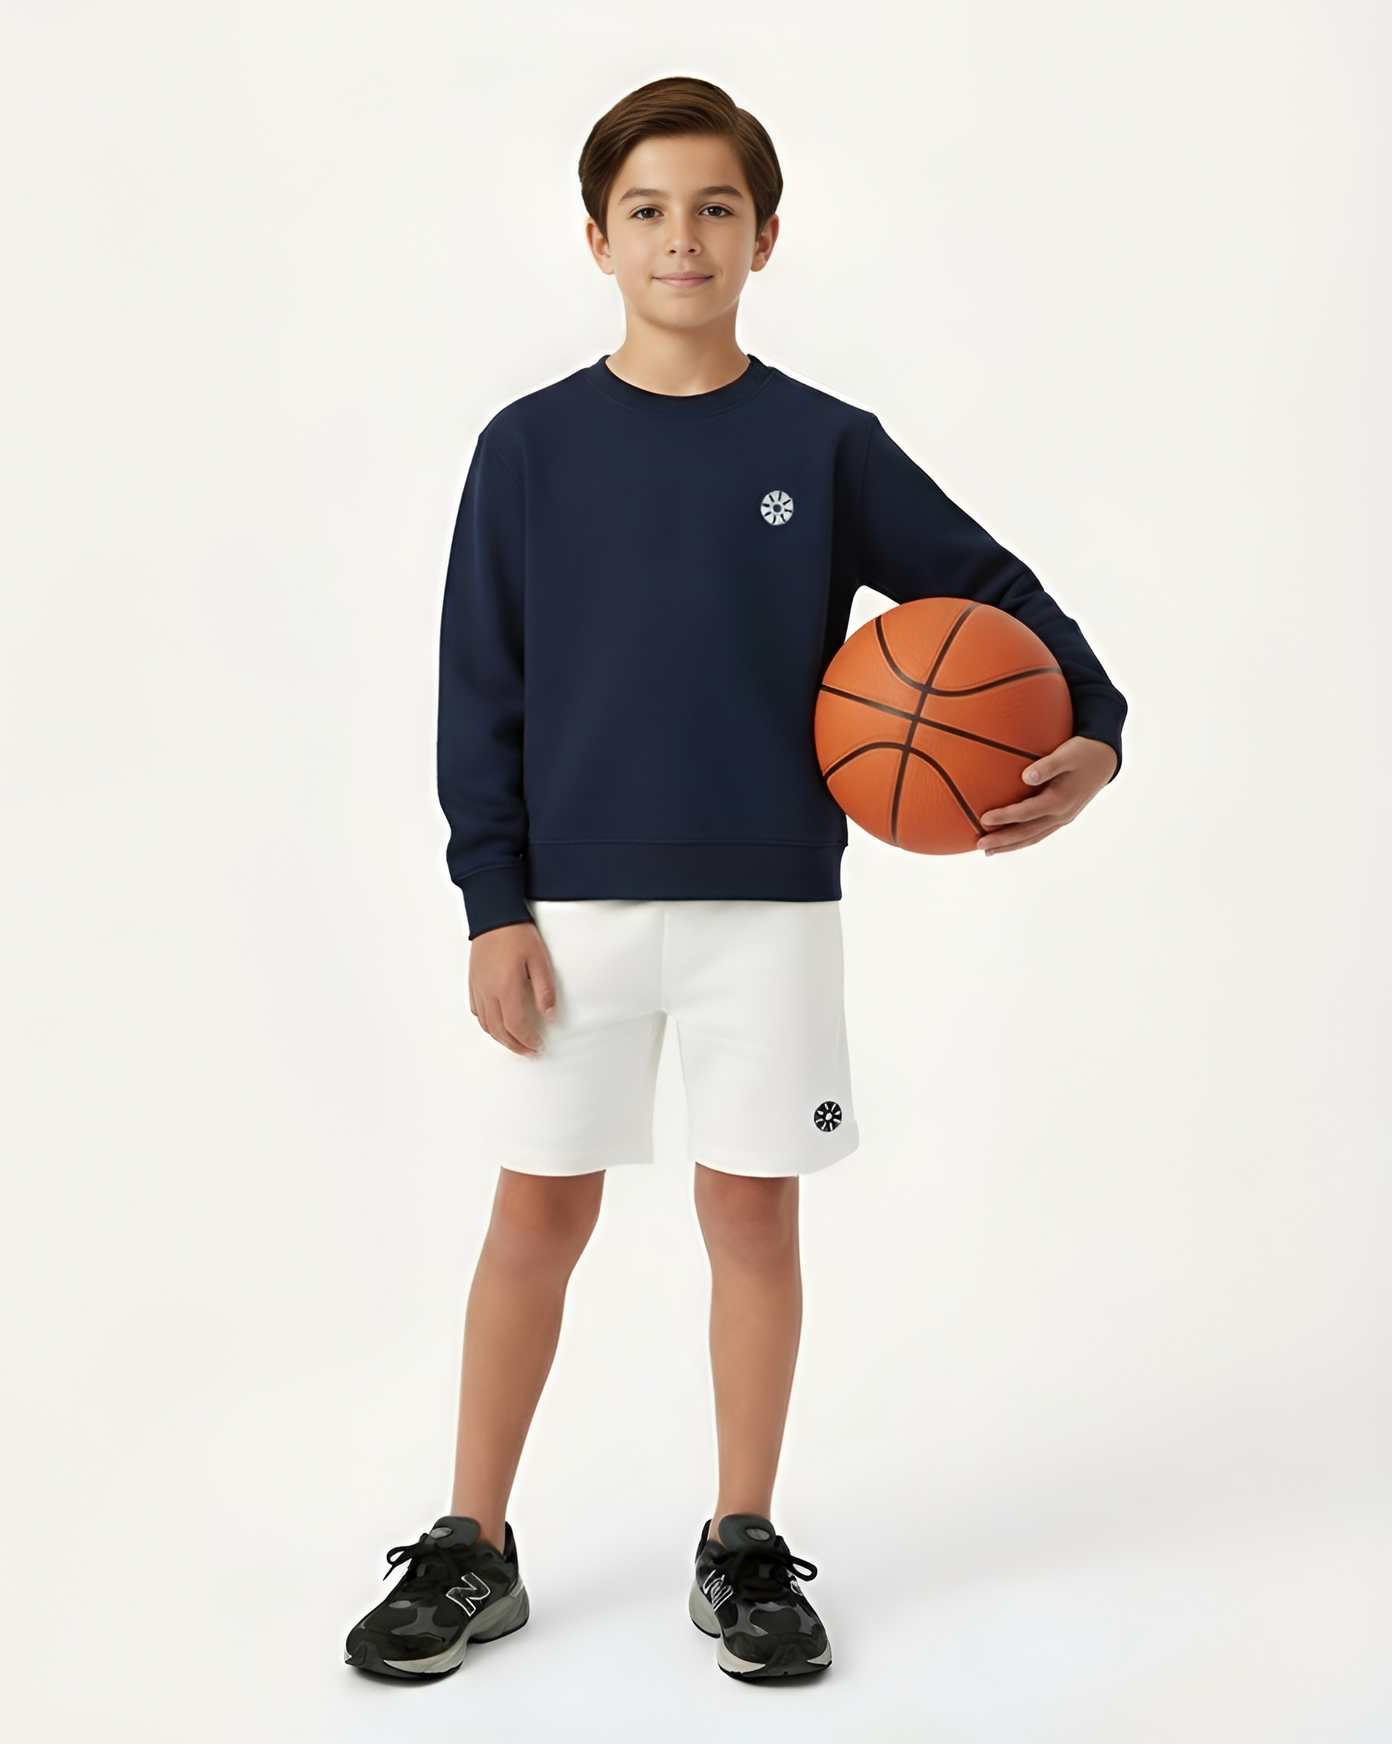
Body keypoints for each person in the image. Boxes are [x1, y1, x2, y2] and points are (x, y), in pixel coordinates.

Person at [345, 74, 1126, 1686]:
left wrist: (1095, 729)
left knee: (752, 1219)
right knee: (534, 1220)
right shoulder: (532, 448)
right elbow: (473, 687)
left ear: (767, 236)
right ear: (595, 237)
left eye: (714, 208)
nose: (681, 237)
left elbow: (997, 593)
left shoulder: (822, 446)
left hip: (769, 905)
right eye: (648, 209)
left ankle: (743, 1541)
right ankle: (471, 1542)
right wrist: (492, 902)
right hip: (569, 915)